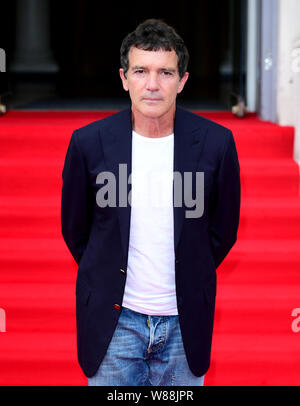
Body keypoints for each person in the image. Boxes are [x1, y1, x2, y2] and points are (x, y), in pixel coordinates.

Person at [61, 18, 241, 386]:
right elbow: (76, 230)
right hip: (115, 325)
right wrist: (108, 270)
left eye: (166, 73)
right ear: (124, 77)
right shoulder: (88, 142)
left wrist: (192, 267)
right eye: (141, 71)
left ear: (183, 81)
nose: (153, 85)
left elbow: (223, 231)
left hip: (184, 326)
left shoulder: (217, 143)